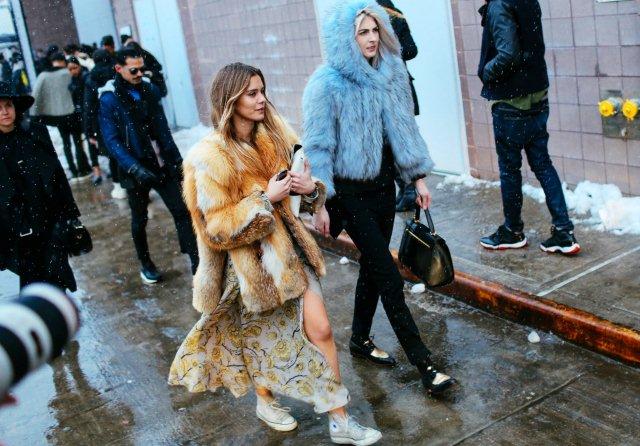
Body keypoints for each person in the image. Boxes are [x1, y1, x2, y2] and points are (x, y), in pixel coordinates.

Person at [168, 62, 382, 446]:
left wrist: (310, 189)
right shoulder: (209, 157)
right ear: (230, 100)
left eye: (262, 90)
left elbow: (303, 197)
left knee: (321, 330)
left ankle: (339, 419)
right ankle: (265, 400)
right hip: (247, 266)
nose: (261, 99)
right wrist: (264, 199)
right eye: (251, 93)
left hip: (291, 253)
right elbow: (216, 229)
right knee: (261, 338)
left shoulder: (278, 134)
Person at [302, 0, 454, 395]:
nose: (371, 39)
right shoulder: (326, 83)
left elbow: (404, 129)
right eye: (362, 32)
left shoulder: (391, 71)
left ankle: (359, 339)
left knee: (373, 267)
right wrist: (319, 201)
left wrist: (417, 178)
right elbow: (318, 147)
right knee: (388, 274)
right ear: (345, 38)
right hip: (349, 193)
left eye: (375, 30)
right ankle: (425, 364)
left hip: (384, 187)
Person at [477, 0, 580, 255]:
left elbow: (508, 54)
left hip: (512, 101)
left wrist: (485, 71)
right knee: (543, 164)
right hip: (537, 96)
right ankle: (563, 232)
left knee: (510, 170)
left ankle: (512, 231)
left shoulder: (499, 5)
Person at [98, 48, 198, 283]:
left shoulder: (149, 90)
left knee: (183, 211)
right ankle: (145, 263)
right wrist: (133, 168)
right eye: (134, 70)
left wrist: (177, 162)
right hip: (134, 168)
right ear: (119, 69)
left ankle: (196, 261)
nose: (139, 74)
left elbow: (163, 130)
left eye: (142, 69)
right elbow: (112, 140)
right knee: (139, 218)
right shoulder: (109, 98)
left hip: (161, 163)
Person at [0, 82, 84, 291]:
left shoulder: (35, 133)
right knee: (31, 293)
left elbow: (58, 177)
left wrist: (71, 215)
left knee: (57, 285)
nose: (4, 112)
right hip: (15, 235)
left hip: (49, 223)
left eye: (8, 105)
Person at [376, 0, 420, 212]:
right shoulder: (395, 16)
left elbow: (411, 50)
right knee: (395, 141)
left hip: (393, 88)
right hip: (395, 87)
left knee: (394, 142)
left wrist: (387, 53)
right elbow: (410, 50)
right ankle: (406, 189)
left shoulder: (388, 18)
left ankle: (410, 189)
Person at [32, 52, 92, 181]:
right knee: (77, 141)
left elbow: (36, 95)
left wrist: (34, 114)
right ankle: (83, 168)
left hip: (58, 117)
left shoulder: (43, 75)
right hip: (72, 113)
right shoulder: (68, 73)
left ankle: (73, 169)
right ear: (63, 61)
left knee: (66, 143)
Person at [84, 50, 123, 196]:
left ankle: (119, 186)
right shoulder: (117, 72)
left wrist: (89, 131)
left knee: (113, 155)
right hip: (121, 118)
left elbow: (88, 107)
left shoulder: (91, 78)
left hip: (102, 122)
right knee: (127, 150)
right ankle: (134, 185)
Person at [67, 56, 102, 185]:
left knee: (98, 140)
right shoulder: (73, 82)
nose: (73, 71)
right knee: (90, 142)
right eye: (70, 69)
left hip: (93, 113)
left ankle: (104, 169)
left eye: (74, 68)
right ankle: (96, 170)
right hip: (83, 115)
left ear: (79, 66)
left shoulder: (87, 78)